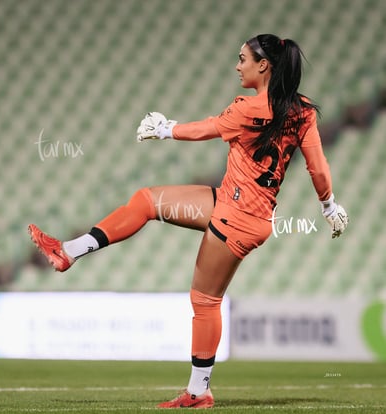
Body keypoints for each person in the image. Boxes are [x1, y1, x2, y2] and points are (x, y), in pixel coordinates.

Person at [28, 34, 349, 409]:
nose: (237, 65)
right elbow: (318, 167)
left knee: (206, 300)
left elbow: (207, 129)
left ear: (264, 65)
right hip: (241, 208)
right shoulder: (303, 111)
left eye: (243, 58)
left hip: (236, 217)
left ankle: (199, 392)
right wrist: (329, 206)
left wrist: (166, 128)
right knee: (147, 201)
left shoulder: (248, 108)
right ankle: (68, 251)